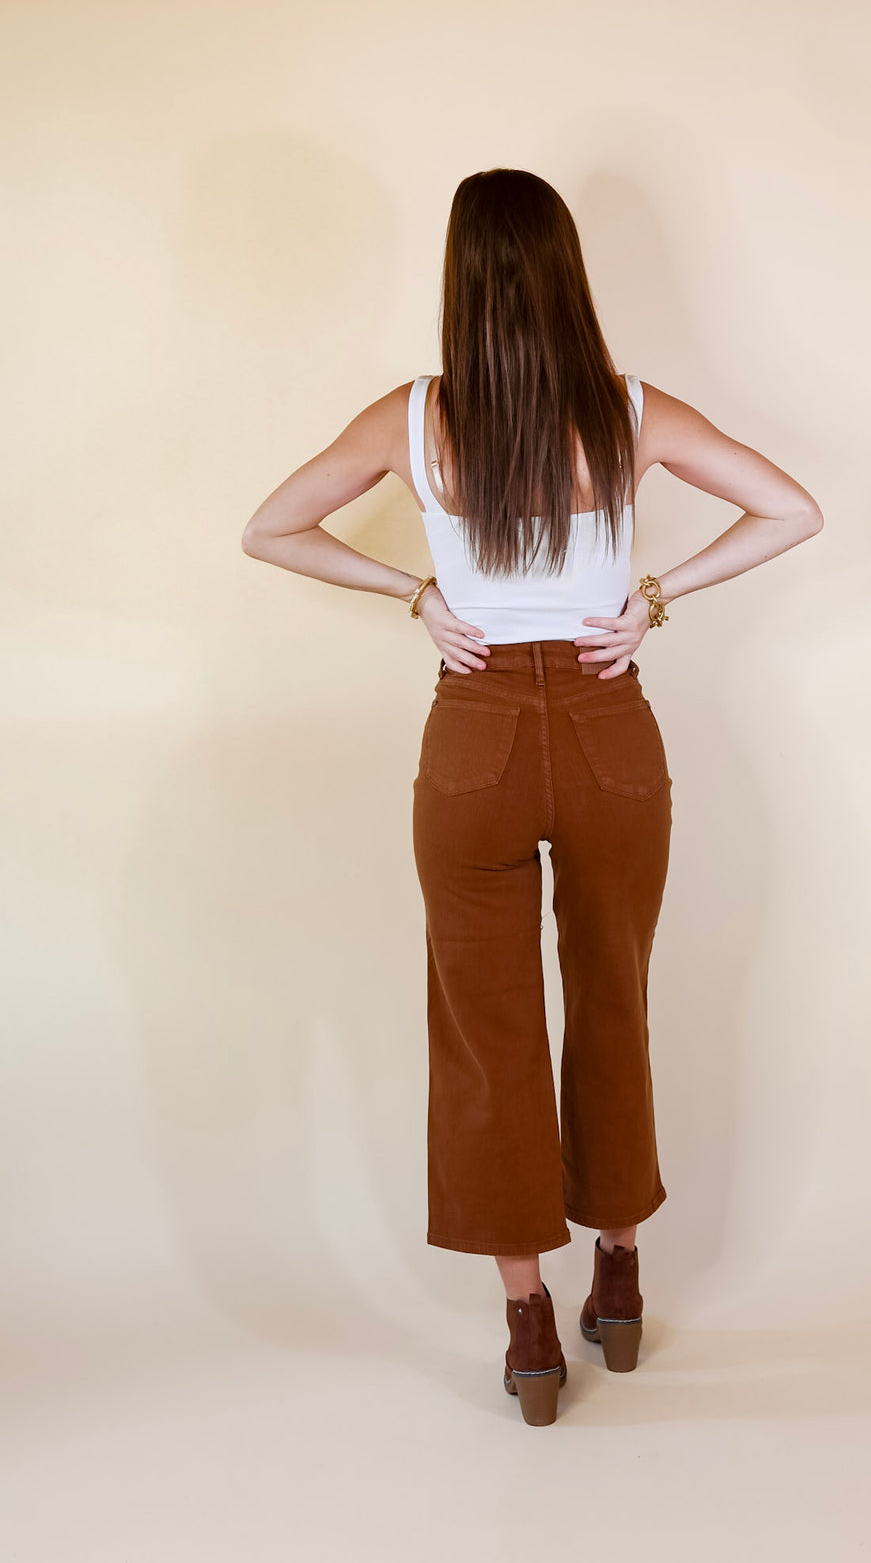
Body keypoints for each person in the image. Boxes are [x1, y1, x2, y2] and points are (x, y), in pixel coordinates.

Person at [241, 167, 824, 1426]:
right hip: (611, 731)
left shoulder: (412, 418)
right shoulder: (629, 410)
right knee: (614, 998)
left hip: (476, 735)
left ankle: (528, 1328)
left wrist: (417, 596)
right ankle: (619, 1277)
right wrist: (654, 597)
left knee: (485, 1030)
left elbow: (269, 528)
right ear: (567, 269)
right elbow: (793, 509)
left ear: (460, 276)